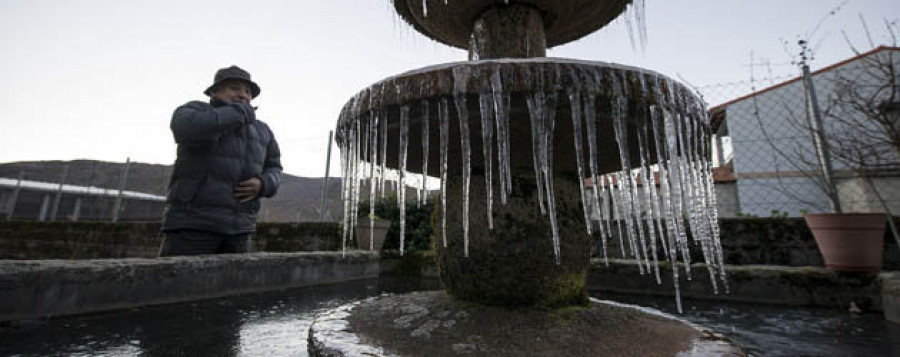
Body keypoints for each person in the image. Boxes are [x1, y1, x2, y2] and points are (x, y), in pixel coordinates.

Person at [159, 65, 282, 256]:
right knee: (179, 284)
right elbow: (185, 129)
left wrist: (264, 183)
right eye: (235, 88)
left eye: (248, 91)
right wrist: (240, 113)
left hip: (240, 230)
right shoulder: (194, 111)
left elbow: (274, 167)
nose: (243, 95)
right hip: (192, 226)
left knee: (233, 285)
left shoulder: (262, 130)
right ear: (215, 91)